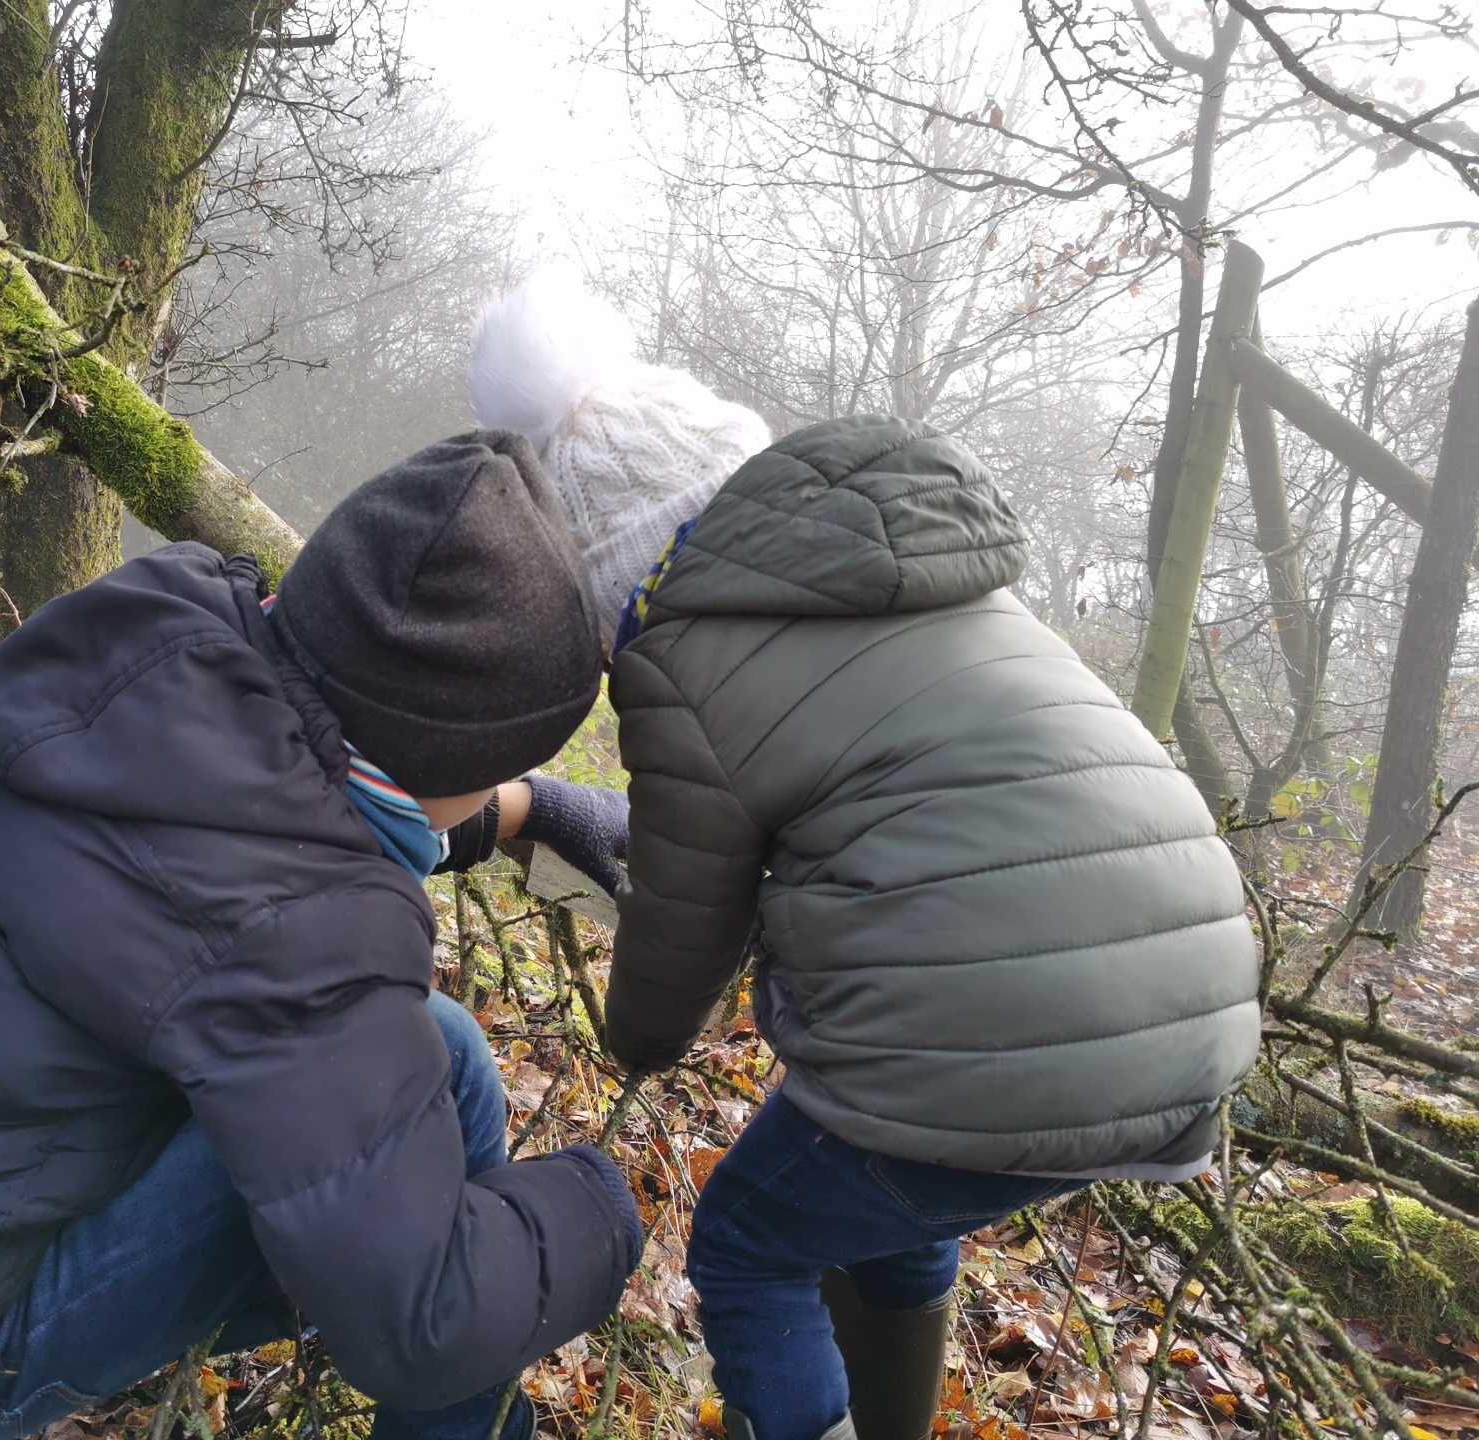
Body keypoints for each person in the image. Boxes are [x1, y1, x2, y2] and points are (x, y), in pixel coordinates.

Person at [0, 431, 646, 1440]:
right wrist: (601, 1206)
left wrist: (527, 808)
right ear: (451, 751)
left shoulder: (162, 673)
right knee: (410, 1193)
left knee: (429, 1069)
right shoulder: (309, 928)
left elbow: (284, 831)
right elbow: (418, 1322)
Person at [471, 283, 1262, 1440]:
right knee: (891, 1206)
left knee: (745, 1241)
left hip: (1009, 1030)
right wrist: (552, 810)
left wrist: (635, 1039)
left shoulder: (685, 651)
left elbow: (688, 915)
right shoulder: (945, 584)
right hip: (1192, 1017)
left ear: (610, 563)